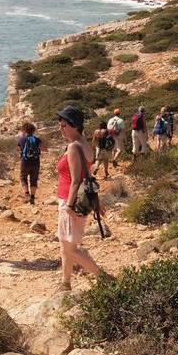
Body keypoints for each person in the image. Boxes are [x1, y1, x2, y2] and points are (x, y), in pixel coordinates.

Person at [55, 106, 106, 292]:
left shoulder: (74, 146)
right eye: (60, 125)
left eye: (64, 125)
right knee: (66, 244)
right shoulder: (84, 144)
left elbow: (77, 179)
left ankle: (103, 277)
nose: (61, 128)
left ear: (75, 126)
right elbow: (89, 176)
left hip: (71, 201)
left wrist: (68, 205)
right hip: (77, 201)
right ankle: (65, 282)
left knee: (70, 248)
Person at [17, 122, 45, 205]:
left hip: (25, 162)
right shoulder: (36, 139)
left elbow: (19, 149)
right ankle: (32, 197)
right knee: (34, 180)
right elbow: (44, 149)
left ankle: (27, 194)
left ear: (24, 130)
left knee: (23, 178)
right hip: (36, 163)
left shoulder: (21, 139)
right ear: (33, 130)